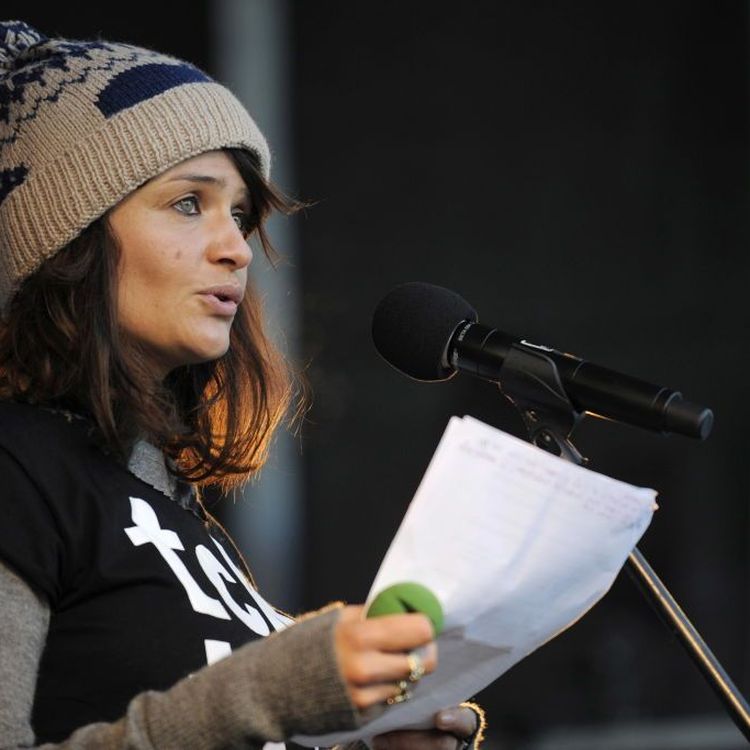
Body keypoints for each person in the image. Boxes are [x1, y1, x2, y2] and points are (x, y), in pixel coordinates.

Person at [0, 21, 485, 749]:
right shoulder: (16, 470)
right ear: (69, 235)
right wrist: (267, 690)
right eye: (189, 203)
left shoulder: (182, 512)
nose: (235, 249)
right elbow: (226, 710)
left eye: (239, 214)